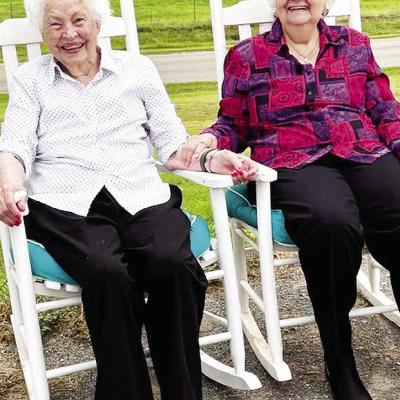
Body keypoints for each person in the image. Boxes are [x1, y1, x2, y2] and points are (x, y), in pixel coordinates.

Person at [0, 0, 258, 399]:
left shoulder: (137, 69)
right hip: (66, 200)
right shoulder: (29, 79)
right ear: (44, 32)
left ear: (97, 24)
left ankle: (182, 390)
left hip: (139, 192)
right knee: (106, 273)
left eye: (78, 20)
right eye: (55, 25)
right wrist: (8, 182)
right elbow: (15, 147)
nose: (69, 34)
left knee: (173, 265)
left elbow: (172, 142)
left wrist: (209, 157)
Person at [182, 0, 400, 399]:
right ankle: (340, 361)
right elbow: (233, 123)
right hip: (292, 159)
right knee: (331, 223)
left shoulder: (355, 44)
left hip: (362, 148)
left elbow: (385, 108)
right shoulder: (247, 56)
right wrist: (211, 142)